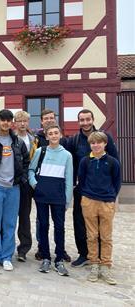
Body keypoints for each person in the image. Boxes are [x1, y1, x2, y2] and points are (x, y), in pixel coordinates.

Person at [67, 109, 119, 268]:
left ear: (93, 119)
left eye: (88, 119)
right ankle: (84, 254)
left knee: (102, 228)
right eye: (82, 120)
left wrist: (113, 194)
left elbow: (115, 164)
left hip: (104, 193)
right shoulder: (74, 140)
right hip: (82, 190)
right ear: (79, 122)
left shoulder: (104, 138)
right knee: (80, 223)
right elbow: (69, 163)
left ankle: (103, 259)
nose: (85, 123)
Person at [0, 109, 29, 271]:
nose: (6, 123)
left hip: (13, 188)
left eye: (8, 120)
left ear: (11, 123)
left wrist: (20, 180)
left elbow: (26, 163)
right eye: (3, 120)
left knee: (9, 223)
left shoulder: (18, 143)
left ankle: (7, 256)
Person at [28, 124, 73, 276]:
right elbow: (31, 170)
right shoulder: (41, 151)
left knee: (59, 227)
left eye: (56, 133)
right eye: (50, 134)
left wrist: (67, 200)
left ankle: (59, 258)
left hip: (59, 197)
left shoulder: (67, 155)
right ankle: (46, 257)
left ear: (60, 135)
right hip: (42, 196)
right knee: (44, 226)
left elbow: (69, 179)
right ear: (46, 137)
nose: (53, 136)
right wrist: (35, 185)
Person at [79, 132, 121, 285]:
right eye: (93, 143)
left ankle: (105, 265)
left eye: (99, 143)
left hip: (106, 202)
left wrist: (111, 197)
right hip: (89, 201)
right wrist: (86, 195)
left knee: (106, 236)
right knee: (91, 235)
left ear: (105, 144)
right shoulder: (85, 161)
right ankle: (94, 264)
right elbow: (82, 180)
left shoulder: (112, 162)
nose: (95, 145)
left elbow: (117, 182)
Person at [13, 111, 37, 262]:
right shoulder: (10, 138)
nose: (22, 124)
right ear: (15, 122)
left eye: (25, 121)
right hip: (13, 180)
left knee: (24, 215)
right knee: (8, 215)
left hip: (27, 181)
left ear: (28, 122)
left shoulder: (33, 140)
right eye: (19, 121)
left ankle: (23, 248)